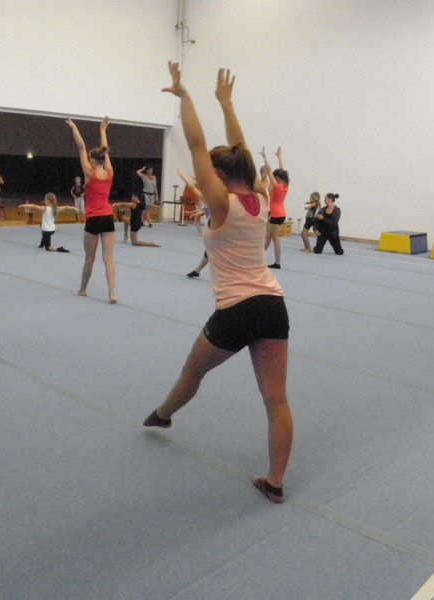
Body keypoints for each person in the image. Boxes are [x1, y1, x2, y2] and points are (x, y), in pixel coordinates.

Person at [144, 63, 292, 505]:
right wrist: (226, 103)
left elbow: (196, 144)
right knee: (276, 400)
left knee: (193, 372)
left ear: (222, 177)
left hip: (236, 309)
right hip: (273, 304)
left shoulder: (222, 202)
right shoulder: (261, 196)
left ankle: (164, 413)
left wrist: (187, 99)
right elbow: (240, 149)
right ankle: (276, 482)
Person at [65, 116, 117, 303]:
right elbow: (105, 150)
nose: (87, 158)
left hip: (94, 218)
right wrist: (103, 130)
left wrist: (74, 127)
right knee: (108, 258)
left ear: (93, 159)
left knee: (89, 258)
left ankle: (83, 289)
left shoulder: (89, 173)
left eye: (89, 157)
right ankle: (112, 293)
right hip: (108, 217)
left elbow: (81, 146)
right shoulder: (109, 173)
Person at [260, 146, 288, 269]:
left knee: (273, 239)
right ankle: (259, 258)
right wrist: (279, 157)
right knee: (268, 237)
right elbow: (282, 170)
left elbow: (269, 170)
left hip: (275, 215)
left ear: (277, 178)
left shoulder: (276, 186)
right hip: (281, 214)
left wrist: (265, 157)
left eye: (275, 177)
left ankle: (277, 262)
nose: (273, 178)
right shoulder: (285, 184)